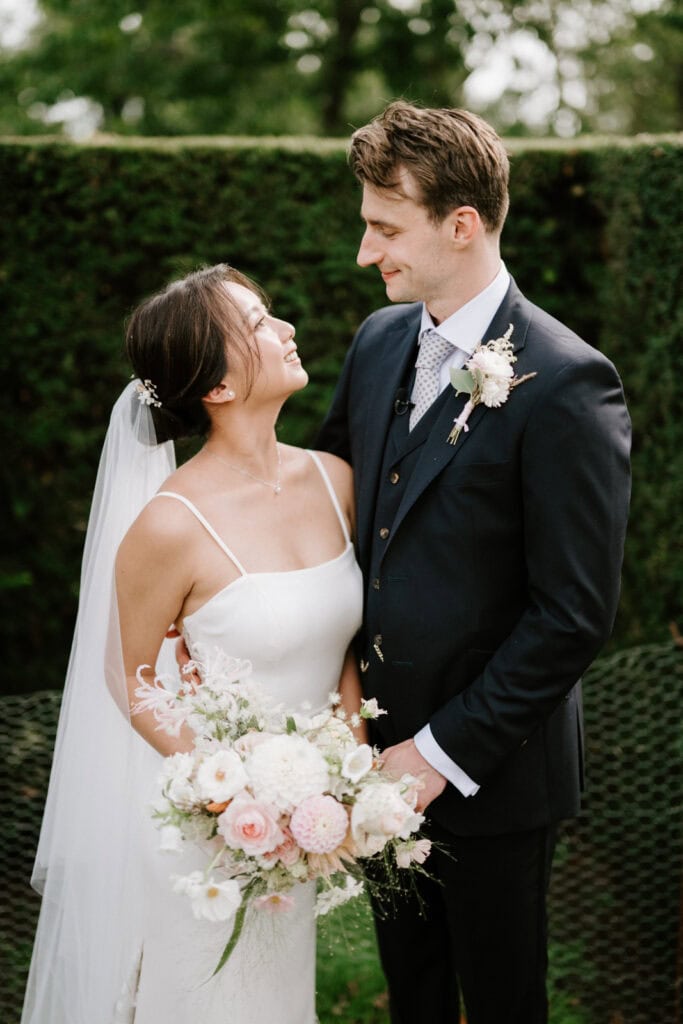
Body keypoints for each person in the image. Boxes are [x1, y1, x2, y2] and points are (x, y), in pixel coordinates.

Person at [316, 101, 631, 1024]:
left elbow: (571, 613)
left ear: (460, 225)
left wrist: (438, 753)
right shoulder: (378, 343)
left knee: (501, 1005)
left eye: (384, 227)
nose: (365, 253)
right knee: (409, 1000)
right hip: (372, 764)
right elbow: (334, 510)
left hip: (490, 775)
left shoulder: (569, 382)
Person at [21, 265, 364, 1024]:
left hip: (306, 821)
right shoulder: (167, 526)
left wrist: (350, 777)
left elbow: (344, 648)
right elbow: (129, 675)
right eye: (258, 324)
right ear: (214, 387)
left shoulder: (335, 481)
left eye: (271, 314)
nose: (286, 330)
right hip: (211, 839)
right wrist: (229, 795)